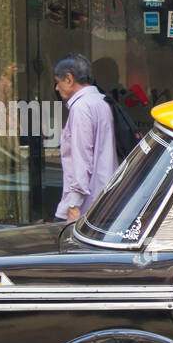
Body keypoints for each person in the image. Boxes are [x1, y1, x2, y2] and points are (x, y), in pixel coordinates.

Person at [52, 53, 117, 222]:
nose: (56, 89)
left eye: (57, 82)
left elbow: (82, 158)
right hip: (104, 198)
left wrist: (73, 204)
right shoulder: (101, 101)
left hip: (86, 205)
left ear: (68, 78)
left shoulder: (81, 108)